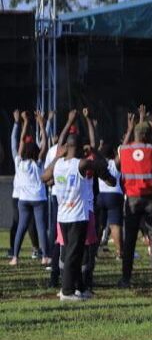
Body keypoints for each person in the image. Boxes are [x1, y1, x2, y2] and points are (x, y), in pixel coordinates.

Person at [43, 127, 114, 301]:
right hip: (78, 216)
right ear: (81, 147)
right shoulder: (81, 164)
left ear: (66, 146)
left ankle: (80, 288)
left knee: (73, 252)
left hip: (63, 217)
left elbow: (44, 177)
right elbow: (103, 168)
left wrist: (58, 156)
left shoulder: (58, 164)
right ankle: (67, 292)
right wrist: (94, 151)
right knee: (74, 256)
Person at [116, 114, 152, 288]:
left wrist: (129, 130)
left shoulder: (123, 150)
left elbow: (117, 167)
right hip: (150, 199)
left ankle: (126, 279)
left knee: (129, 241)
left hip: (131, 200)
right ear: (147, 136)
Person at [10, 111, 49, 266]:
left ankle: (15, 257)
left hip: (23, 200)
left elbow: (20, 141)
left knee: (21, 228)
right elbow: (45, 144)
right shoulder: (38, 163)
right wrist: (41, 124)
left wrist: (25, 122)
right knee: (41, 228)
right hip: (38, 199)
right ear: (36, 151)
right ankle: (45, 256)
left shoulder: (19, 162)